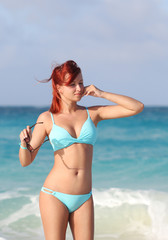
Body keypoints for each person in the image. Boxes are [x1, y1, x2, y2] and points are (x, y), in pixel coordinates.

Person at [19, 60, 144, 240]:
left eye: (81, 83)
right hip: (54, 195)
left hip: (84, 197)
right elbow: (26, 161)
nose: (79, 88)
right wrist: (23, 144)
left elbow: (137, 107)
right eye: (72, 84)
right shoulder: (47, 119)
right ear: (59, 88)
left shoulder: (93, 113)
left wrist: (101, 93)